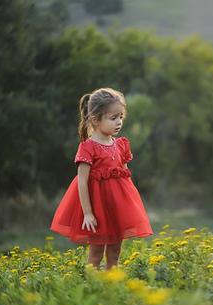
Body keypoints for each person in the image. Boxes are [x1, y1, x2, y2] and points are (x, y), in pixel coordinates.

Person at [51, 87, 153, 269]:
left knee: (115, 252)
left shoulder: (121, 145)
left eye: (121, 117)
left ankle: (110, 286)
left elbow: (125, 177)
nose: (119, 122)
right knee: (96, 253)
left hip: (116, 208)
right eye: (113, 118)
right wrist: (88, 213)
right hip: (97, 209)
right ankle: (93, 287)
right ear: (95, 119)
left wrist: (129, 206)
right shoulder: (88, 147)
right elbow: (82, 181)